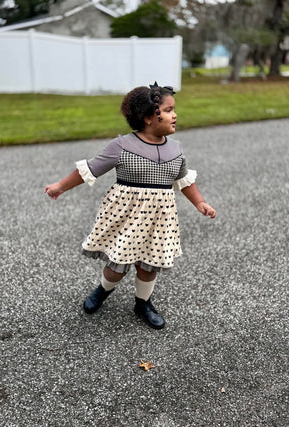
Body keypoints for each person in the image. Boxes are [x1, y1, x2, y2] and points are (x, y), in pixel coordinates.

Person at [44, 82, 216, 330]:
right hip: (127, 219)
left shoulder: (176, 149)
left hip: (159, 220)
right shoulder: (122, 146)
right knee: (117, 267)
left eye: (173, 109)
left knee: (149, 266)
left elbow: (183, 179)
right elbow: (91, 169)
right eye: (168, 110)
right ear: (148, 118)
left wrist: (200, 202)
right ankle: (104, 290)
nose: (175, 115)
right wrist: (60, 186)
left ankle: (143, 302)